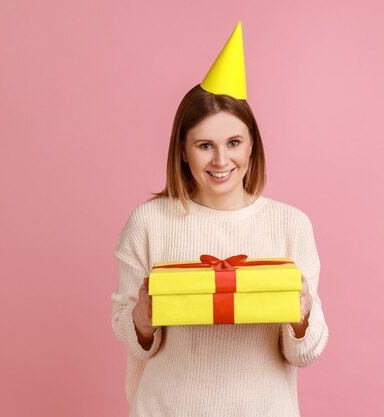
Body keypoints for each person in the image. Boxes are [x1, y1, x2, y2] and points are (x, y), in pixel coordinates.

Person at [111, 22, 329, 417]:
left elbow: (305, 353)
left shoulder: (291, 225)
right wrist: (140, 318)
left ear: (252, 144)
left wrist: (303, 316)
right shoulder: (148, 223)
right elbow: (130, 335)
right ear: (182, 150)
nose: (221, 161)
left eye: (233, 143)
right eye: (204, 145)